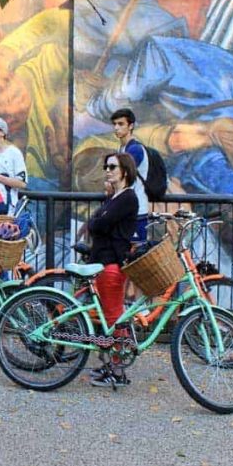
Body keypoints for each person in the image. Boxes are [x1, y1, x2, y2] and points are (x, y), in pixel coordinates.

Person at [86, 152, 139, 387]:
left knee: (114, 317)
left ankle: (118, 370)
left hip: (112, 264)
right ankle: (113, 365)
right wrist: (97, 222)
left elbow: (99, 224)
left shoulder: (127, 198)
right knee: (112, 317)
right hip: (104, 261)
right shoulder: (114, 197)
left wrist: (97, 222)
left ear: (125, 171)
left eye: (112, 167)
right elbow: (96, 222)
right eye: (106, 166)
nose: (107, 170)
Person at [110, 108, 149, 242]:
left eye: (121, 124)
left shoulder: (135, 149)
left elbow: (122, 175)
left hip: (137, 210)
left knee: (135, 252)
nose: (116, 128)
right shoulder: (122, 149)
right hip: (126, 209)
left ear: (131, 126)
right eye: (114, 124)